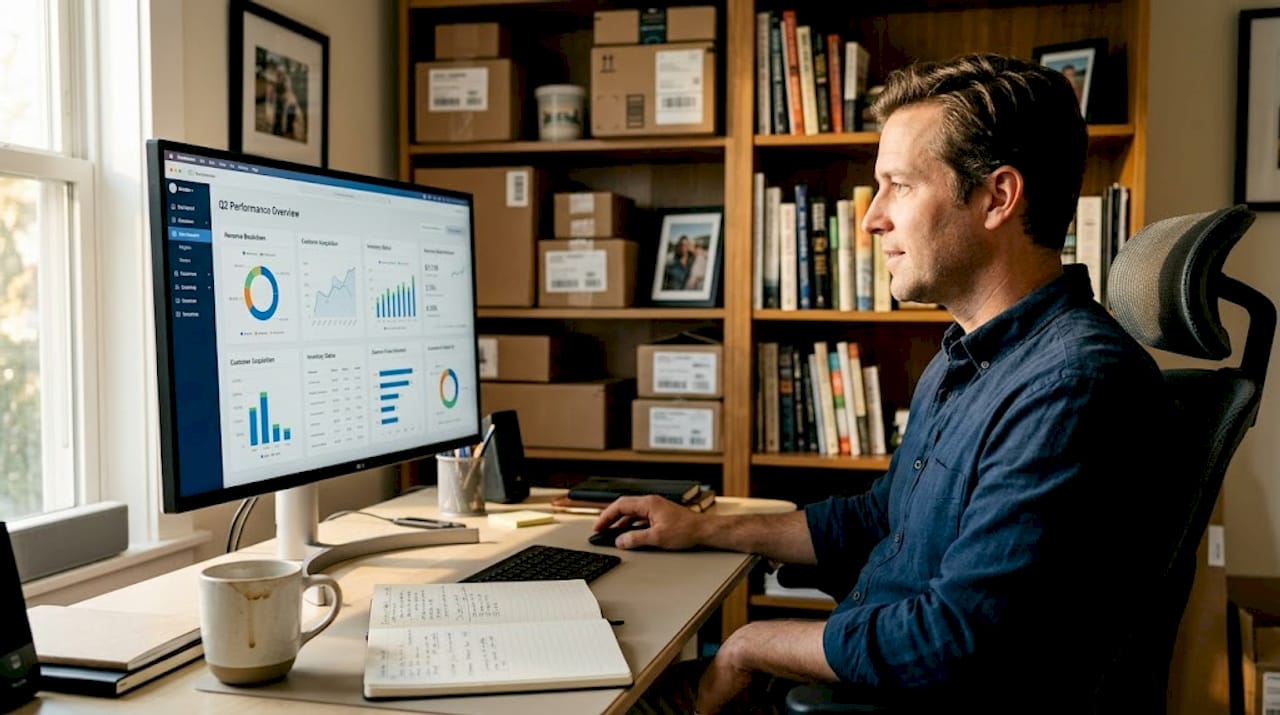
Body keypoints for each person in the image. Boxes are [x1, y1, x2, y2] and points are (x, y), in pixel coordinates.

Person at [610, 53, 1174, 714]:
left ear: (998, 197)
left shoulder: (1072, 386)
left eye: (898, 186)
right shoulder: (969, 356)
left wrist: (749, 643)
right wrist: (705, 527)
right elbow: (881, 518)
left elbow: (953, 639)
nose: (872, 218)